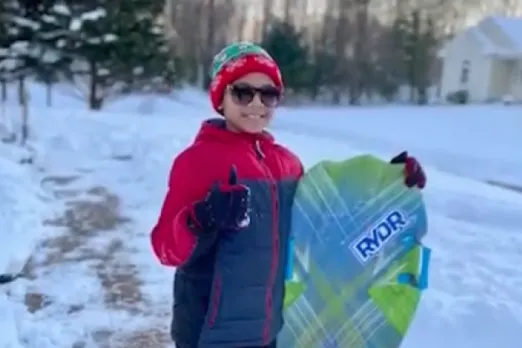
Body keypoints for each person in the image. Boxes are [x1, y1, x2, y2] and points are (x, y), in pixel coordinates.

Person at [150, 42, 427, 348]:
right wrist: (201, 218)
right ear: (221, 99)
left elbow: (328, 218)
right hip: (211, 334)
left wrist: (390, 183)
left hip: (276, 332)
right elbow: (166, 248)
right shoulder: (198, 161)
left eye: (268, 94)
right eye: (243, 92)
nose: (256, 104)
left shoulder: (288, 164)